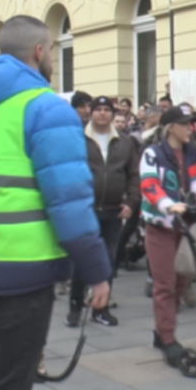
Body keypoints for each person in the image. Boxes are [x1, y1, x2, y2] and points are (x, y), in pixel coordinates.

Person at [0, 16, 110, 390]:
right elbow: (69, 203)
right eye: (52, 48)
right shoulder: (48, 109)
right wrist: (97, 272)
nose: (52, 55)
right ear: (39, 52)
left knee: (0, 389)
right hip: (21, 278)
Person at [139, 105, 196, 365]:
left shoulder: (194, 153)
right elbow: (149, 184)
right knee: (165, 283)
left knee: (181, 282)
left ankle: (163, 331)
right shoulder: (153, 153)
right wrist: (167, 204)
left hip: (185, 227)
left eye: (191, 123)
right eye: (185, 124)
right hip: (160, 225)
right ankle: (167, 338)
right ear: (171, 127)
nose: (190, 128)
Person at [68, 96, 140, 327]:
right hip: (86, 211)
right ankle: (75, 306)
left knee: (107, 262)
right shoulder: (78, 139)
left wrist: (131, 201)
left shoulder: (125, 142)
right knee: (83, 261)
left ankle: (101, 308)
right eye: (97, 109)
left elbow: (133, 176)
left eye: (106, 110)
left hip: (113, 212)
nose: (101, 113)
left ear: (113, 113)